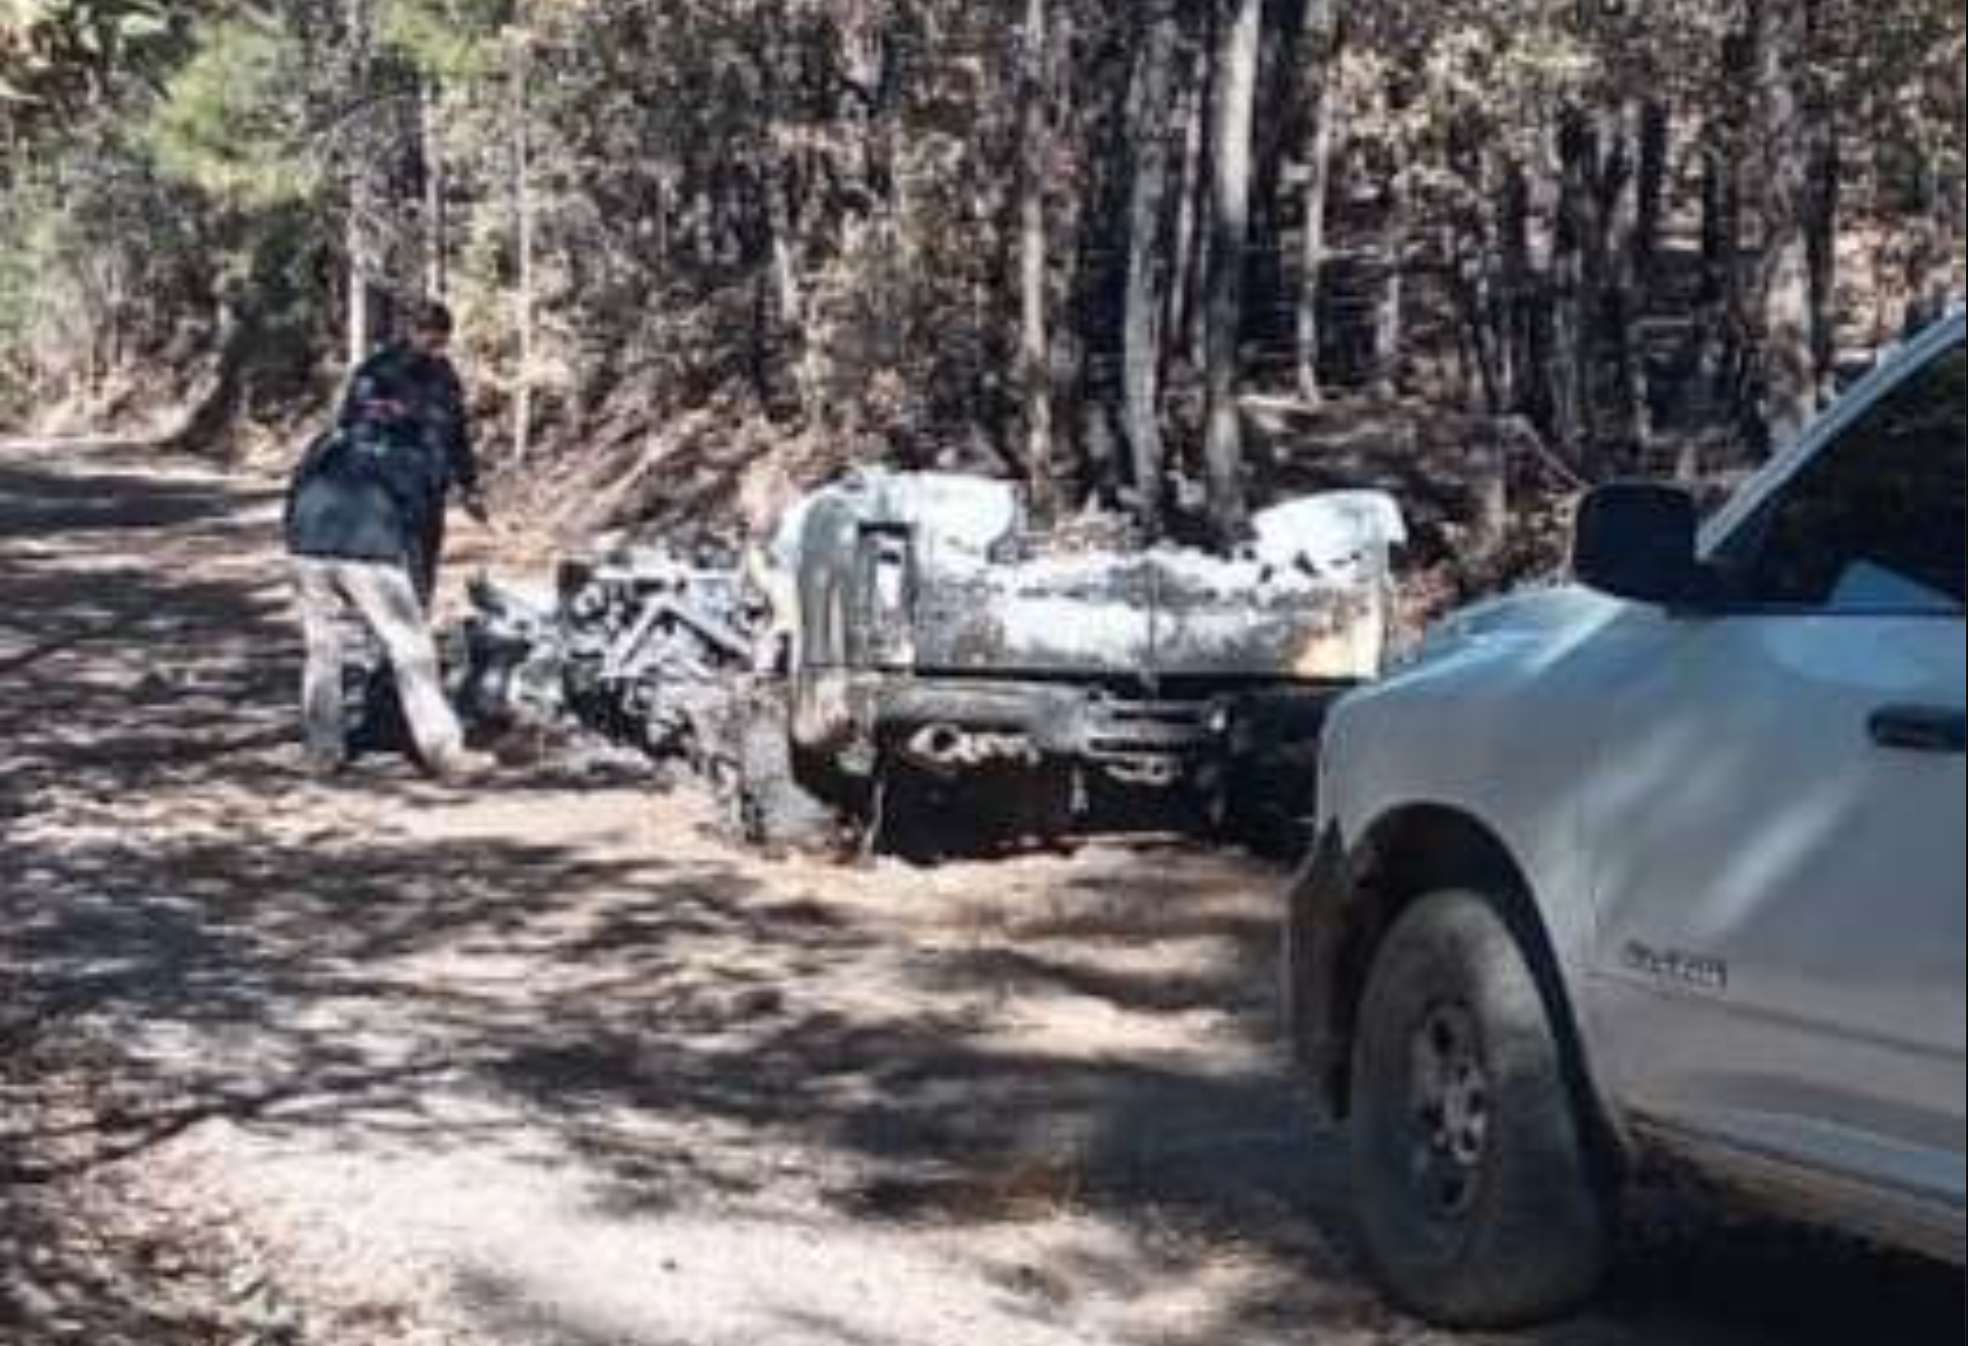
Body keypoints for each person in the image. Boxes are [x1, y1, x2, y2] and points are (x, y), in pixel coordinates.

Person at [284, 301, 490, 779]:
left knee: (323, 649)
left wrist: (466, 484)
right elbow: (420, 494)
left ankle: (322, 750)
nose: (434, 345)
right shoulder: (408, 438)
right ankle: (443, 751)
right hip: (366, 541)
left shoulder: (351, 425)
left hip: (307, 537)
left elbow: (306, 475)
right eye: (429, 335)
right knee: (410, 643)